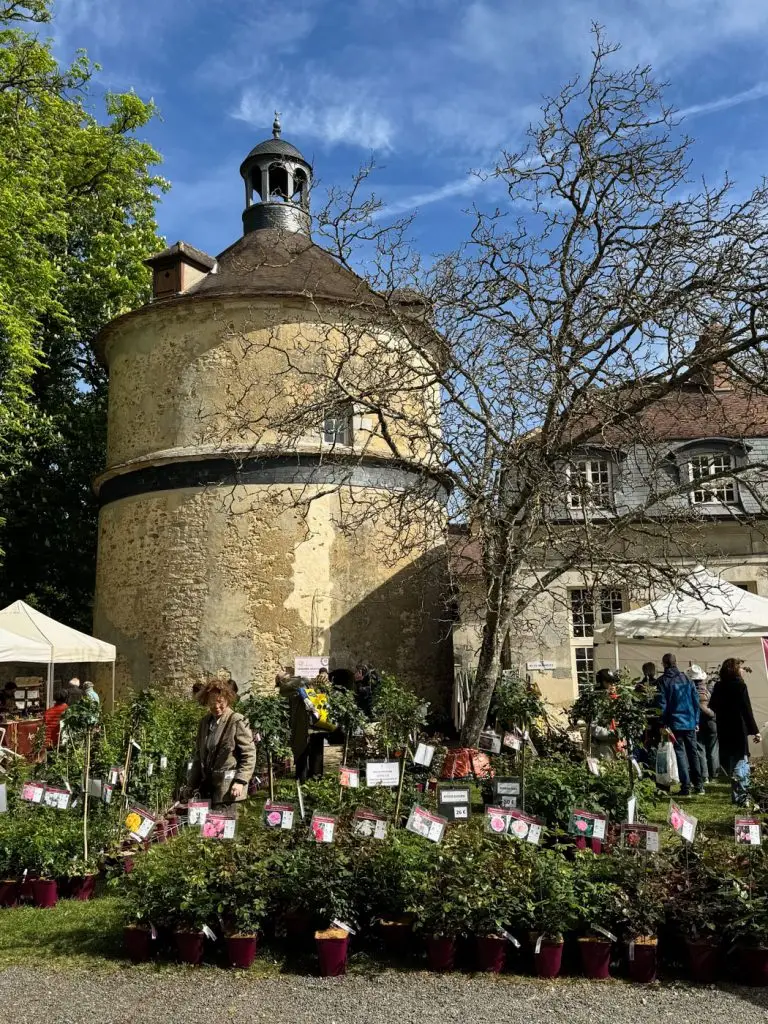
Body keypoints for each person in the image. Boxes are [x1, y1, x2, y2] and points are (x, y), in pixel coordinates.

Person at [187, 679, 256, 810]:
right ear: (206, 702)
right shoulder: (204, 723)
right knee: (206, 829)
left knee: (222, 828)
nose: (216, 707)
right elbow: (198, 756)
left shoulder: (237, 720)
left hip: (228, 790)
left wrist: (240, 781)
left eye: (220, 702)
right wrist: (191, 784)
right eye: (212, 703)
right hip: (207, 788)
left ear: (228, 700)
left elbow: (249, 754)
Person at [709, 658, 761, 806]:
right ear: (735, 670)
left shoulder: (719, 686)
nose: (742, 670)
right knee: (741, 760)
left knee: (734, 760)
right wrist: (755, 731)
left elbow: (713, 706)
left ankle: (737, 795)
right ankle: (742, 796)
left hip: (724, 727)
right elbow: (747, 710)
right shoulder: (740, 686)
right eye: (740, 668)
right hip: (738, 727)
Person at [657, 653, 703, 796]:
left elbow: (662, 704)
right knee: (693, 752)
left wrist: (663, 722)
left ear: (664, 664)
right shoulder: (686, 678)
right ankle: (699, 785)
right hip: (689, 721)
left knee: (680, 753)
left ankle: (686, 786)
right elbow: (696, 700)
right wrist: (696, 720)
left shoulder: (663, 681)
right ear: (676, 662)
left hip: (674, 722)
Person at [276, 666, 326, 781]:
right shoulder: (304, 680)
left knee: (301, 749)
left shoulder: (288, 686)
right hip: (317, 718)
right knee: (316, 749)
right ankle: (316, 776)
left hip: (303, 722)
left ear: (282, 681)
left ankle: (302, 777)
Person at [689, 664, 719, 783]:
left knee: (700, 748)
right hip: (711, 721)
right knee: (713, 749)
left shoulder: (690, 691)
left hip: (698, 722)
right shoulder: (709, 689)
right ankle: (715, 774)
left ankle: (704, 775)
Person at [590, 668, 620, 759]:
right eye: (610, 683)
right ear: (602, 683)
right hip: (604, 746)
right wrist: (612, 734)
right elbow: (593, 727)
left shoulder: (616, 700)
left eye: (614, 683)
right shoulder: (597, 702)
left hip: (618, 744)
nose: (613, 685)